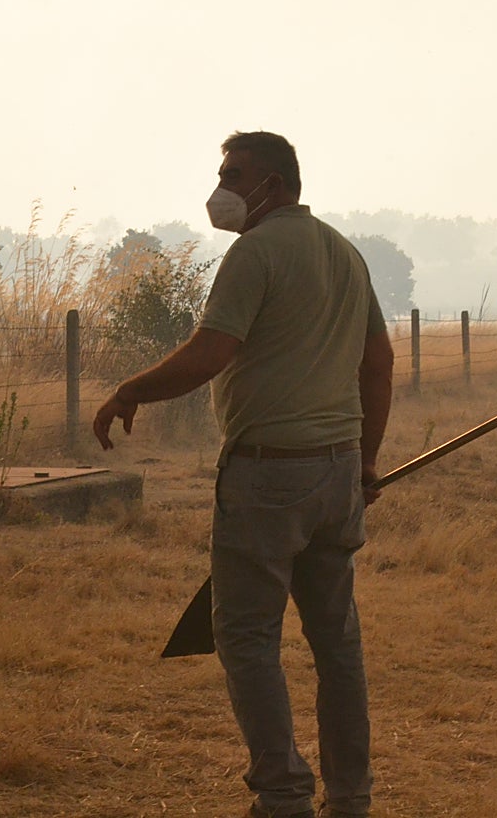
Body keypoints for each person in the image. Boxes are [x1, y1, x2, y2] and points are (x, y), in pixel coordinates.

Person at [93, 131, 394, 817]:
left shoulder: (255, 252)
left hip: (267, 477)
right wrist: (366, 460)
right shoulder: (344, 254)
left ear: (276, 185)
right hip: (337, 474)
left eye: (235, 174)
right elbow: (378, 365)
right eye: (222, 172)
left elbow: (210, 352)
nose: (222, 186)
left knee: (248, 639)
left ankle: (283, 793)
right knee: (337, 643)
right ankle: (350, 798)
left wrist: (130, 391)